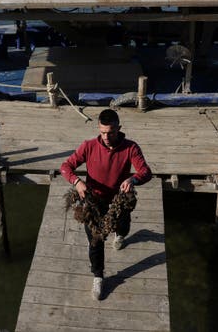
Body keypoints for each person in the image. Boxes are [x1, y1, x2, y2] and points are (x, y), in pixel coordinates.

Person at [60, 109, 152, 300]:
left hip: (120, 196)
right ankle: (98, 275)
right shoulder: (88, 146)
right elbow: (65, 167)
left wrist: (133, 180)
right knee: (95, 238)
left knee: (123, 226)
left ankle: (120, 234)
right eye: (102, 132)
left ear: (119, 128)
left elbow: (145, 171)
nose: (106, 137)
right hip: (95, 199)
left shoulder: (130, 148)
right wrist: (77, 182)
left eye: (110, 132)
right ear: (98, 129)